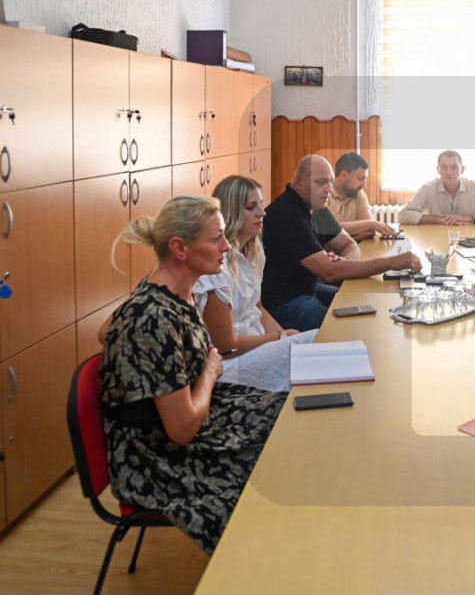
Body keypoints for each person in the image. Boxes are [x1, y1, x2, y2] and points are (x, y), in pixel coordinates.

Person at [101, 195, 285, 554]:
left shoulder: (179, 295)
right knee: (275, 459)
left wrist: (208, 373)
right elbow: (183, 429)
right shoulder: (153, 318)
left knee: (288, 418)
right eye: (216, 238)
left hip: (188, 426)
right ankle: (268, 564)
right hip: (156, 461)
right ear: (180, 248)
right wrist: (210, 373)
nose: (227, 246)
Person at [262, 155, 422, 331]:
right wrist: (391, 262)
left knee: (365, 302)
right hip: (285, 302)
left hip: (308, 288)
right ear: (299, 182)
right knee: (347, 329)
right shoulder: (288, 215)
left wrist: (343, 263)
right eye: (321, 182)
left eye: (330, 182)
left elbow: (348, 245)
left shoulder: (317, 207)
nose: (329, 189)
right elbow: (329, 272)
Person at [193, 175, 318, 393]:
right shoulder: (216, 267)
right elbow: (226, 347)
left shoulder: (254, 251)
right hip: (232, 365)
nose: (262, 213)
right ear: (231, 212)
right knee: (314, 339)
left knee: (308, 349)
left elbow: (257, 308)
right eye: (252, 207)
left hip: (259, 345)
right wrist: (279, 339)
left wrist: (284, 338)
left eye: (261, 204)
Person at [398, 150, 475, 225]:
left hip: (469, 240)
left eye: (454, 167)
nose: (449, 172)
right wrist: (440, 219)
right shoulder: (428, 188)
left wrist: (472, 218)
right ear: (438, 169)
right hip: (435, 239)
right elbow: (402, 215)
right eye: (444, 167)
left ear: (462, 169)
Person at [327, 153, 398, 242]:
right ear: (344, 175)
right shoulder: (324, 194)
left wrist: (345, 244)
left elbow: (370, 231)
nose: (364, 185)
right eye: (360, 179)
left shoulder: (359, 194)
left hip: (350, 249)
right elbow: (329, 228)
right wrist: (370, 224)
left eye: (365, 179)